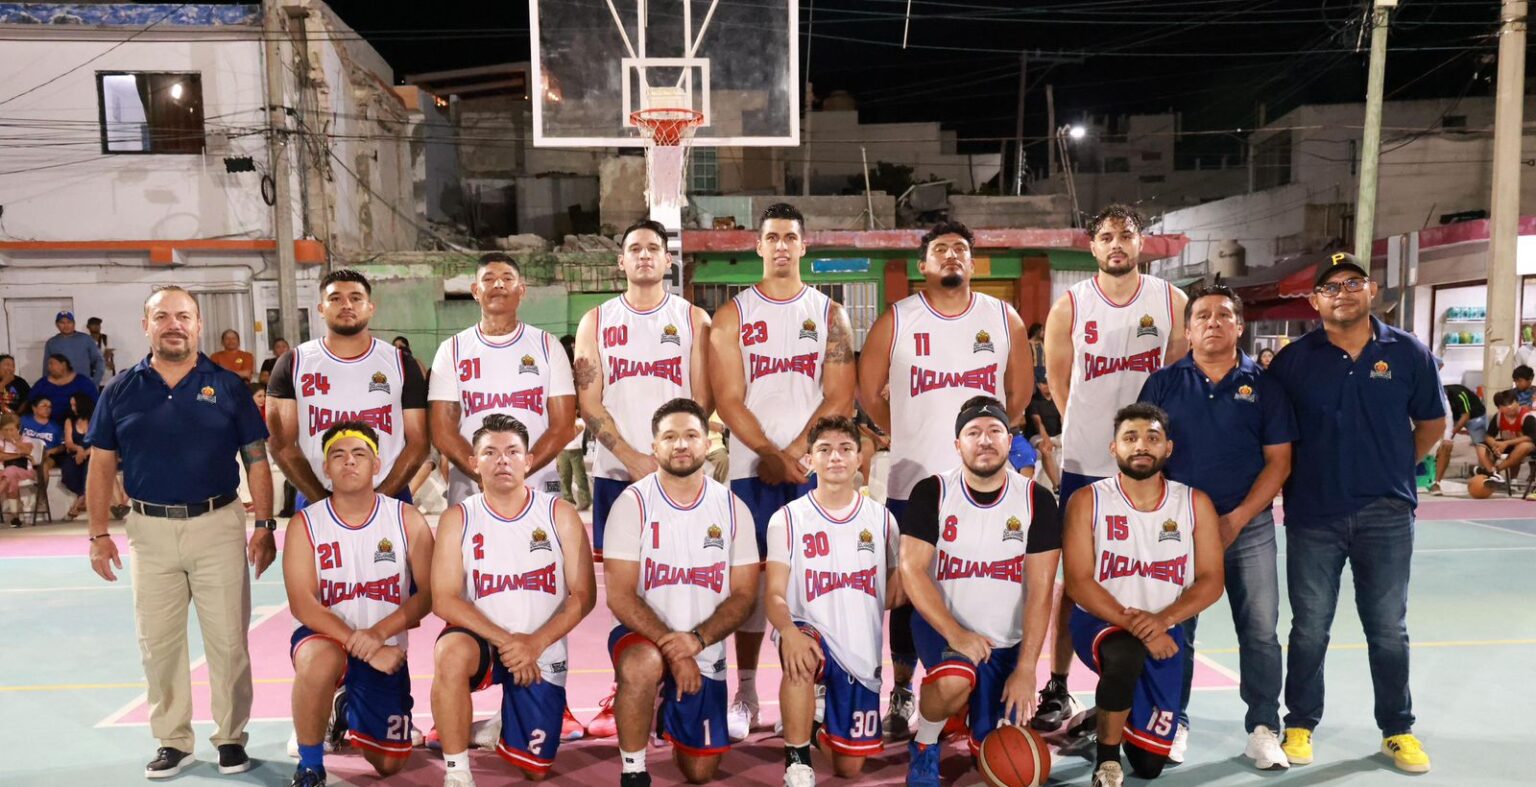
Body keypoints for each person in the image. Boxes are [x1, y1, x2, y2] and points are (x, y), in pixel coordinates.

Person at [86, 286, 276, 778]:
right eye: (163, 316)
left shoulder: (229, 386)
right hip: (149, 531)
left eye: (184, 316)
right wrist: (97, 532)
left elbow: (257, 458)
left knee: (229, 640)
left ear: (197, 326)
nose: (174, 324)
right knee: (159, 642)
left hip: (218, 524)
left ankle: (231, 737)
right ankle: (174, 741)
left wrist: (265, 525)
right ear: (145, 325)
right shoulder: (120, 390)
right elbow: (102, 464)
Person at [1265, 252, 1445, 773]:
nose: (1342, 292)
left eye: (1352, 283)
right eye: (1330, 287)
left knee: (1388, 628)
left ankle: (1397, 729)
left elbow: (1431, 425)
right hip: (1313, 514)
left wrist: (1393, 466)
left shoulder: (1408, 352)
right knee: (1310, 628)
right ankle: (1299, 724)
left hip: (1386, 514)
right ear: (1315, 301)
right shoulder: (1295, 360)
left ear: (1372, 291)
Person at [857, 221, 1033, 737]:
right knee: (907, 588)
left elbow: (1017, 398)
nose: (952, 256)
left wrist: (980, 442)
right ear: (923, 265)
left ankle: (971, 682)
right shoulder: (898, 319)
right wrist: (906, 430)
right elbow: (870, 393)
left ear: (974, 264)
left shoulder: (1004, 318)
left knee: (985, 576)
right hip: (914, 481)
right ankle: (904, 688)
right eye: (941, 249)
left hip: (984, 485)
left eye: (961, 249)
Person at [1037, 203, 1188, 732]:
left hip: (1147, 464)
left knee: (1155, 575)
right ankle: (1057, 685)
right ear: (1093, 247)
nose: (1117, 243)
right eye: (1106, 236)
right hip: (1086, 462)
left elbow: (1176, 382)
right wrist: (1087, 431)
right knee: (1074, 579)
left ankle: (1155, 696)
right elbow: (1060, 384)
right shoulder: (1071, 305)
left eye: (1126, 234)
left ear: (1141, 242)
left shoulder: (1172, 301)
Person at [710, 202, 856, 741]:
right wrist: (769, 453)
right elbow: (727, 398)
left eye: (789, 237)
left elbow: (840, 394)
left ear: (803, 245)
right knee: (748, 587)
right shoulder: (734, 315)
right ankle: (746, 689)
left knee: (819, 580)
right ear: (758, 246)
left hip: (818, 471)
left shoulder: (828, 313)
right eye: (771, 237)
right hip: (753, 471)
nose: (780, 246)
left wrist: (795, 453)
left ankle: (816, 685)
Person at [1136, 283, 1295, 768]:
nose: (1212, 323)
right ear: (1187, 329)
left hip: (1248, 528)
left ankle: (1265, 728)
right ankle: (1173, 721)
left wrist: (1237, 518)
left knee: (1261, 631)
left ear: (1239, 326)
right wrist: (1174, 520)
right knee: (1176, 630)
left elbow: (1280, 462)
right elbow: (1144, 455)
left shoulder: (1265, 386)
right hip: (1178, 533)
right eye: (1202, 316)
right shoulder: (1162, 384)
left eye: (1223, 315)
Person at [572, 220, 714, 738]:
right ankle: (627, 685)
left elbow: (702, 399)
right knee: (627, 590)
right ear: (621, 261)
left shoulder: (693, 319)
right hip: (617, 473)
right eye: (635, 249)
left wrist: (673, 454)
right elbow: (589, 400)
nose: (646, 256)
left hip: (679, 479)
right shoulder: (597, 320)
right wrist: (631, 457)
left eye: (655, 248)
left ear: (668, 260)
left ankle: (682, 679)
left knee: (681, 578)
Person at [899, 396, 1061, 787]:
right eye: (973, 432)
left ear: (1010, 441)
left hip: (1006, 642)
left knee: (998, 757)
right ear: (958, 445)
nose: (984, 440)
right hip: (945, 628)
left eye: (994, 432)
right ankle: (925, 744)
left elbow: (1041, 593)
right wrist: (957, 634)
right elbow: (912, 569)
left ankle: (961, 713)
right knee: (955, 678)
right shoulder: (932, 492)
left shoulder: (1036, 499)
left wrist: (1026, 669)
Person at [429, 413, 596, 786]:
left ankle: (497, 725)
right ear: (473, 464)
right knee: (450, 654)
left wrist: (534, 643)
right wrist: (509, 641)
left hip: (541, 649)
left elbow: (584, 596)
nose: (502, 460)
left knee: (534, 770)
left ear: (529, 460)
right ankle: (457, 773)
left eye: (512, 452)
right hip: (484, 642)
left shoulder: (559, 514)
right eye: (489, 452)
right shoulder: (458, 518)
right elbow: (444, 599)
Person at [1062, 403, 1224, 787]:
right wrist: (1141, 626)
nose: (1141, 446)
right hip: (1100, 622)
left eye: (1152, 438)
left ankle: (1100, 715)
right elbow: (1079, 581)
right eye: (1130, 438)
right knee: (1125, 654)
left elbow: (1211, 580)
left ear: (1168, 448)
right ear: (1113, 448)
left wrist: (1161, 622)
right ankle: (1107, 762)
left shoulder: (1194, 502)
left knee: (1150, 765)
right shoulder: (1088, 500)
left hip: (1164, 629)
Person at [603, 398, 759, 786]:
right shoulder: (632, 503)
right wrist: (675, 651)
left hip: (704, 646)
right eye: (669, 437)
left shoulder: (732, 507)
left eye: (691, 435)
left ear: (709, 443)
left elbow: (744, 595)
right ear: (654, 447)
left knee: (700, 772)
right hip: (643, 636)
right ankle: (634, 771)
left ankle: (663, 708)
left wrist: (697, 640)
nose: (681, 445)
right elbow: (620, 596)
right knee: (641, 664)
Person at [282, 422, 436, 787]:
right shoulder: (306, 523)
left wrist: (380, 635)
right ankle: (310, 765)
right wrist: (360, 643)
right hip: (327, 638)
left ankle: (345, 708)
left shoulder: (407, 519)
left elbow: (429, 595)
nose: (349, 462)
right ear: (326, 468)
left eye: (359, 454)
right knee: (319, 660)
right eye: (338, 455)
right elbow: (303, 604)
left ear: (377, 464)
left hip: (385, 646)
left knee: (389, 764)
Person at [765, 416, 903, 786]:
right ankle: (797, 762)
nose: (835, 457)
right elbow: (775, 593)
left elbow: (891, 594)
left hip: (859, 651)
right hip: (808, 629)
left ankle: (814, 721)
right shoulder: (788, 519)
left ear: (860, 458)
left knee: (848, 768)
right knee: (801, 656)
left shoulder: (883, 521)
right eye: (824, 450)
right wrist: (787, 632)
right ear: (810, 460)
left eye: (845, 449)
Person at [266, 269, 430, 512]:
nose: (346, 304)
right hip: (316, 496)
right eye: (335, 298)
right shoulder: (293, 363)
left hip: (389, 495)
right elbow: (281, 444)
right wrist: (323, 502)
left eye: (355, 298)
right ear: (321, 308)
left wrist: (376, 500)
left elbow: (419, 442)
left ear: (370, 307)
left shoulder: (401, 363)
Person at [429, 253, 577, 505]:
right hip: (472, 485)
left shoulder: (547, 346)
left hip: (537, 482)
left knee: (539, 545)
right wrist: (483, 472)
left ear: (521, 290)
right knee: (467, 545)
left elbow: (563, 426)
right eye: (489, 278)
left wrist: (519, 470)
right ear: (476, 291)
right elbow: (442, 431)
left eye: (507, 278)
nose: (498, 284)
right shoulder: (452, 349)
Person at [1428, 383, 1487, 494]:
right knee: (1445, 445)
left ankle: (1485, 474)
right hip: (1454, 417)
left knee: (1480, 444)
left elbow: (1466, 416)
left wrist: (1451, 433)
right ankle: (1436, 483)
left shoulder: (1459, 394)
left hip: (1474, 416)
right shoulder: (1433, 400)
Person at [1478, 389, 1534, 486]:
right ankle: (1492, 473)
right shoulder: (1499, 417)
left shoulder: (1527, 417)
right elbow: (1489, 436)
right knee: (1481, 446)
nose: (1510, 407)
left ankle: (1495, 471)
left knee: (1525, 446)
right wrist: (1495, 445)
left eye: (1512, 403)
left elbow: (1532, 437)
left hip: (1528, 448)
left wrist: (1506, 443)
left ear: (1517, 402)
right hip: (1507, 445)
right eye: (1505, 405)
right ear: (1499, 408)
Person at [59, 393, 99, 518]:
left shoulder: (95, 420)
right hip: (75, 453)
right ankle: (83, 496)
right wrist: (79, 450)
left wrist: (86, 453)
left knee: (90, 467)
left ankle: (78, 503)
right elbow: (69, 442)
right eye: (71, 405)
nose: (73, 408)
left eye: (75, 405)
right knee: (69, 471)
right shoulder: (70, 421)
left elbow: (99, 442)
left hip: (93, 453)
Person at [31, 353, 98, 426]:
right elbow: (30, 401)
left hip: (76, 426)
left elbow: (95, 403)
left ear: (63, 365)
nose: (49, 367)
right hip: (47, 426)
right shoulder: (42, 383)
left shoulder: (82, 382)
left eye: (51, 364)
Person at [45, 310, 106, 386]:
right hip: (60, 388)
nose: (66, 325)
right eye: (62, 323)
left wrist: (94, 383)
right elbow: (47, 368)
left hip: (83, 387)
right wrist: (47, 388)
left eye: (69, 322)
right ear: (57, 325)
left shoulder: (86, 339)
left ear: (74, 323)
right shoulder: (51, 343)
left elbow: (99, 361)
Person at [0, 414, 36, 527]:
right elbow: (1, 457)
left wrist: (15, 442)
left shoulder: (26, 439)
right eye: (5, 430)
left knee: (10, 472)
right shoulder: (1, 441)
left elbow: (27, 450)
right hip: (8, 473)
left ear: (18, 429)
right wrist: (19, 455)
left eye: (11, 429)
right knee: (10, 475)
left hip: (26, 472)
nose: (8, 433)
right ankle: (15, 517)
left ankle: (14, 516)